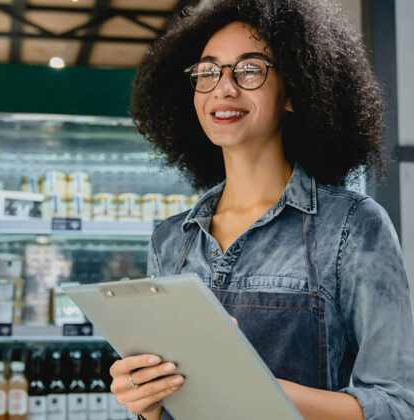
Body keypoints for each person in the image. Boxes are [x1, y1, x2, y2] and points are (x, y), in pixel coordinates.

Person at [108, 0, 414, 419]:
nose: (224, 88)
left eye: (250, 69)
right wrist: (146, 405)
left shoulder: (352, 226)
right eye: (208, 71)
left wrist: (255, 385)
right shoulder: (171, 240)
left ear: (293, 91)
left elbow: (398, 406)